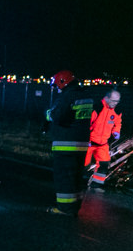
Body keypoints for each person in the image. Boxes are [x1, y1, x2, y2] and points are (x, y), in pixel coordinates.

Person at [45, 69, 94, 216]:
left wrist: (48, 115)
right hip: (81, 144)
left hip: (65, 144)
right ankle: (74, 206)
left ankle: (64, 208)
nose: (57, 88)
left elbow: (59, 116)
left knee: (64, 177)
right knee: (76, 177)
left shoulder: (67, 96)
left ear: (62, 82)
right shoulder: (85, 95)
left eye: (57, 85)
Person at [84, 90, 122, 185]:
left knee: (104, 163)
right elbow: (86, 124)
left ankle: (97, 184)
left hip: (102, 144)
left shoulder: (116, 111)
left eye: (117, 101)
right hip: (90, 142)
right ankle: (77, 181)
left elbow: (117, 123)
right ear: (107, 98)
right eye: (113, 101)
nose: (115, 103)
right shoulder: (97, 108)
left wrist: (116, 132)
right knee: (83, 163)